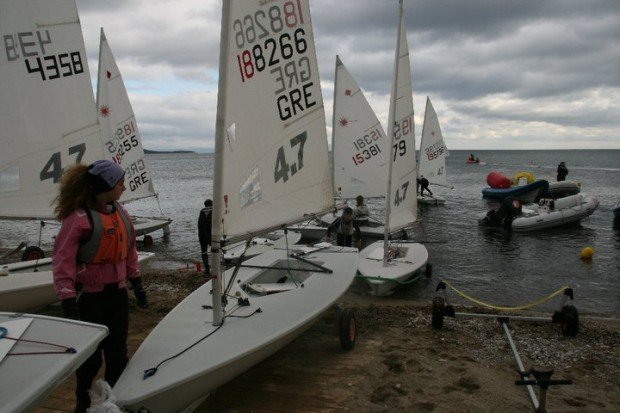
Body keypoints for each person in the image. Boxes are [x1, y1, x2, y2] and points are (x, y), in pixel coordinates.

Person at [52, 160, 146, 413]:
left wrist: (136, 282)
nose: (124, 188)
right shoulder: (78, 219)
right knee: (90, 359)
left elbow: (130, 250)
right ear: (105, 185)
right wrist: (68, 299)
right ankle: (83, 404)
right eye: (120, 183)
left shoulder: (121, 213)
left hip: (116, 295)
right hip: (88, 300)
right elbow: (63, 261)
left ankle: (114, 401)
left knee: (118, 355)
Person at [198, 199, 213, 275]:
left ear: (205, 205)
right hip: (212, 235)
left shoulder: (202, 211)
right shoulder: (215, 210)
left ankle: (207, 269)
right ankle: (216, 266)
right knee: (216, 250)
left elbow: (199, 225)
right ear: (212, 204)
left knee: (204, 252)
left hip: (202, 236)